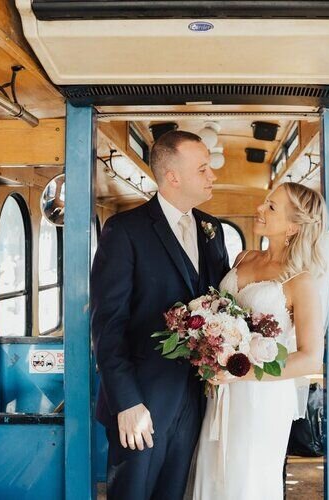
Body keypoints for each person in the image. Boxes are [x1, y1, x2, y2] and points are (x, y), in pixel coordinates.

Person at [91, 130, 231, 499]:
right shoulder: (124, 231)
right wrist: (127, 402)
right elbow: (108, 325)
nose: (212, 176)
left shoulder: (212, 230)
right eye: (203, 169)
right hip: (142, 399)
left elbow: (221, 303)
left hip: (196, 394)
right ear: (173, 177)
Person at [191, 182, 329, 500]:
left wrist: (242, 371)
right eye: (265, 201)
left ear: (294, 226)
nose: (260, 208)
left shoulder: (302, 281)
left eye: (272, 206)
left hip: (262, 397)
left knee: (247, 479)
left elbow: (311, 358)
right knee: (212, 473)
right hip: (220, 389)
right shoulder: (244, 257)